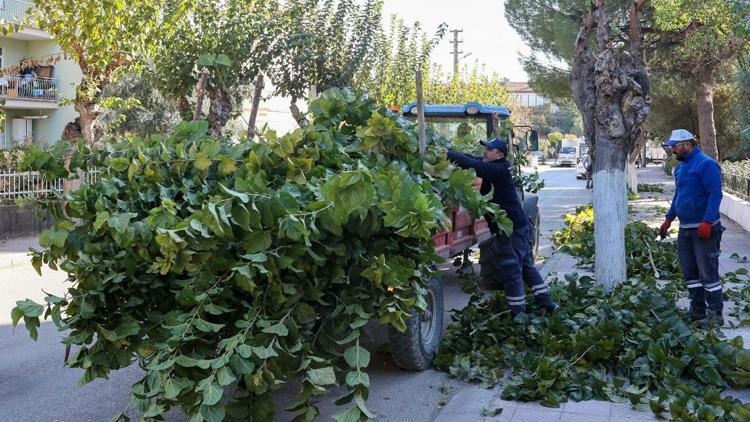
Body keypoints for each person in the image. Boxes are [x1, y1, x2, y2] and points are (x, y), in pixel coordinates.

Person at [447, 138, 559, 316]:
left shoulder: (498, 170)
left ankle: (518, 314)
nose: (485, 151)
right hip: (516, 227)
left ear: (499, 154)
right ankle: (547, 304)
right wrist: (452, 152)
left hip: (512, 230)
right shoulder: (495, 166)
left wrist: (447, 154)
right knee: (526, 267)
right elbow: (473, 159)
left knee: (511, 268)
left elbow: (476, 166)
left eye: (489, 149)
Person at [658, 129, 724, 326]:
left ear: (687, 144)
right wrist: (669, 218)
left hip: (705, 229)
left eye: (675, 147)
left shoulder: (706, 164)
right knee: (690, 273)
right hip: (686, 228)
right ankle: (697, 310)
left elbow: (715, 194)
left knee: (708, 273)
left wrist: (707, 221)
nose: (673, 151)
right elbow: (679, 195)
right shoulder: (681, 168)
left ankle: (715, 315)